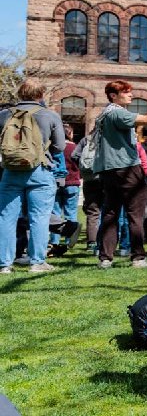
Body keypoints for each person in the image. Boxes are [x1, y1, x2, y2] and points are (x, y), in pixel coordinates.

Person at [94, 80, 147, 269]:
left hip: (109, 168)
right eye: (126, 92)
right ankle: (138, 257)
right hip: (127, 168)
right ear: (113, 96)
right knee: (135, 214)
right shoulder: (117, 113)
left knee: (111, 213)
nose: (131, 95)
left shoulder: (104, 114)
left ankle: (105, 258)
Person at [0, 80, 66, 274]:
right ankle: (37, 262)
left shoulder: (4, 115)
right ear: (40, 95)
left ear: (20, 94)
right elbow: (60, 146)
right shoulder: (49, 115)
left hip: (10, 170)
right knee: (39, 217)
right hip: (39, 170)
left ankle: (4, 264)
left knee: (6, 217)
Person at [51, 123, 81, 248]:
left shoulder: (54, 148)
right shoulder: (75, 148)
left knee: (55, 212)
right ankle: (70, 240)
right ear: (70, 134)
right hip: (72, 182)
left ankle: (54, 241)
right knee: (71, 213)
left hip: (56, 182)